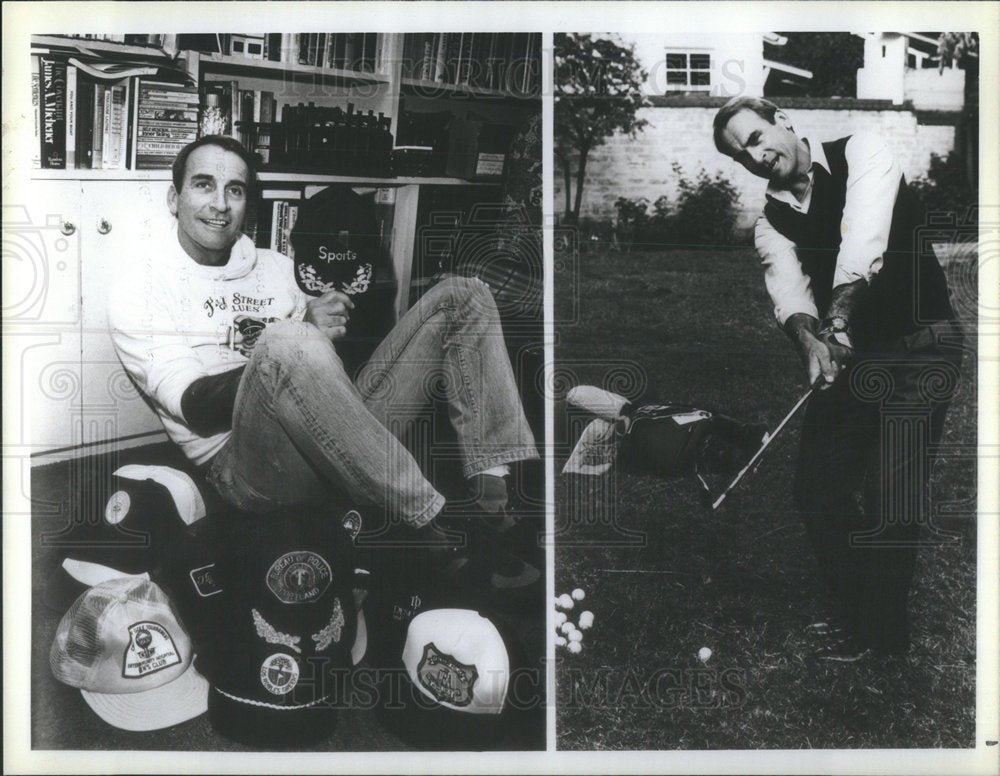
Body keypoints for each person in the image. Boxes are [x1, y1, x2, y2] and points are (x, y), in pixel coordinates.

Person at [108, 135, 541, 589]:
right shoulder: (139, 286)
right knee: (285, 339)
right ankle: (434, 523)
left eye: (234, 190)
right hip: (246, 467)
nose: (220, 204)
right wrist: (293, 340)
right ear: (174, 198)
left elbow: (321, 372)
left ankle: (494, 500)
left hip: (332, 434)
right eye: (203, 185)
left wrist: (321, 322)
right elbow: (194, 404)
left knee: (463, 295)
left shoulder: (274, 264)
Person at [712, 97, 963, 661]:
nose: (753, 157)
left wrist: (841, 319)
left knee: (887, 493)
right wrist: (811, 342)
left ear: (782, 120)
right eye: (738, 155)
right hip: (854, 357)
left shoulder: (863, 152)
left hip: (922, 347)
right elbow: (790, 295)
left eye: (754, 139)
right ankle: (859, 611)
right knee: (816, 488)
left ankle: (884, 639)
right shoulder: (770, 222)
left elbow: (863, 240)